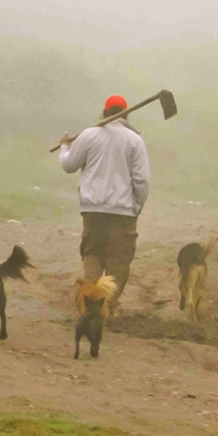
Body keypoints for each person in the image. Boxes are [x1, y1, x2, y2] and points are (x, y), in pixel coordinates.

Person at [59, 94, 150, 316]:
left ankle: (91, 300)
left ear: (104, 112)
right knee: (119, 260)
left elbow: (69, 165)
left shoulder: (89, 135)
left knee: (92, 253)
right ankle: (107, 305)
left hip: (93, 211)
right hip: (123, 212)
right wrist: (138, 206)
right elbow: (141, 180)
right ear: (125, 113)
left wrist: (65, 147)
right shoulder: (134, 140)